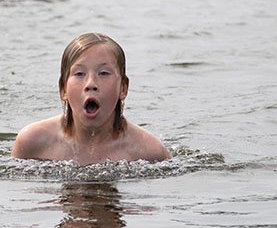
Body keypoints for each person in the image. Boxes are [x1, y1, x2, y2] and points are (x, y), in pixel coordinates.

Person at [11, 33, 171, 165]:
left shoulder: (150, 152)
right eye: (79, 74)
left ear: (123, 88)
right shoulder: (32, 142)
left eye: (104, 73)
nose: (91, 84)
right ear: (63, 89)